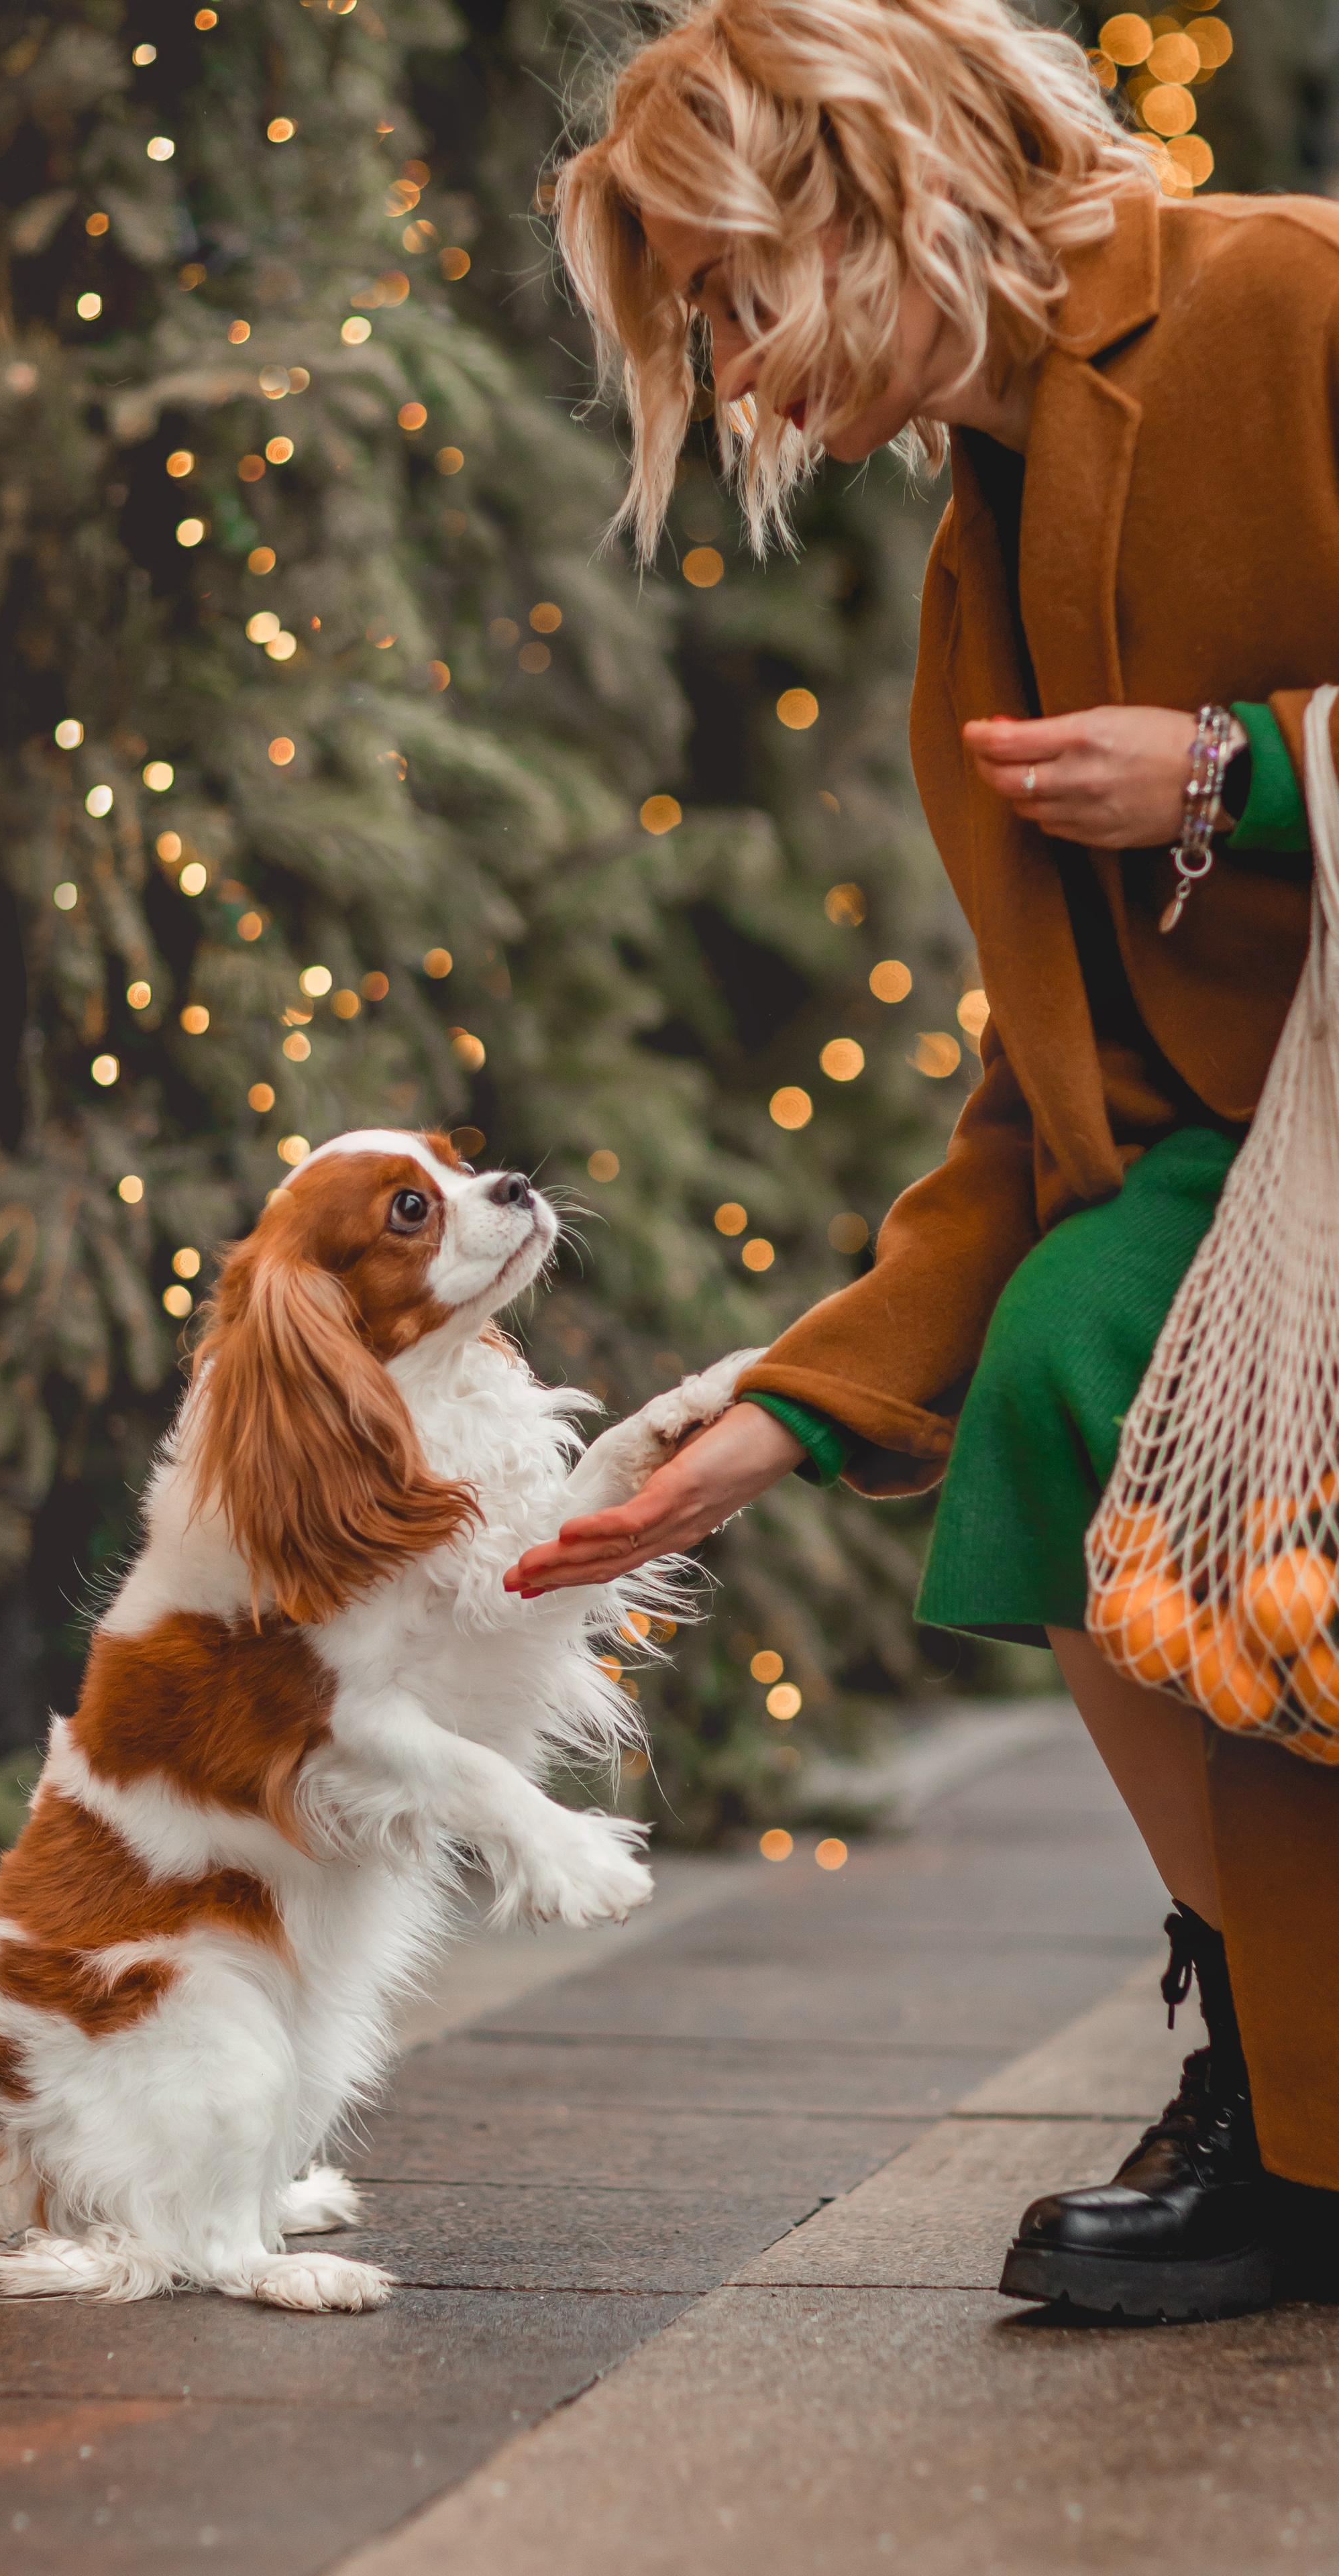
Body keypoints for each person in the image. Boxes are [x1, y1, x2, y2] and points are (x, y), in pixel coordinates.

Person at [506, 0, 1339, 2321]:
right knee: (1068, 1361)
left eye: (729, 294)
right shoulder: (979, 547)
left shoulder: (1286, 298)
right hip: (1256, 1171)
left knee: (1117, 1367)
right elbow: (1057, 1088)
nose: (729, 374)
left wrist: (1251, 771)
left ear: (871, 191)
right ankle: (1293, 2096)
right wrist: (787, 1410)